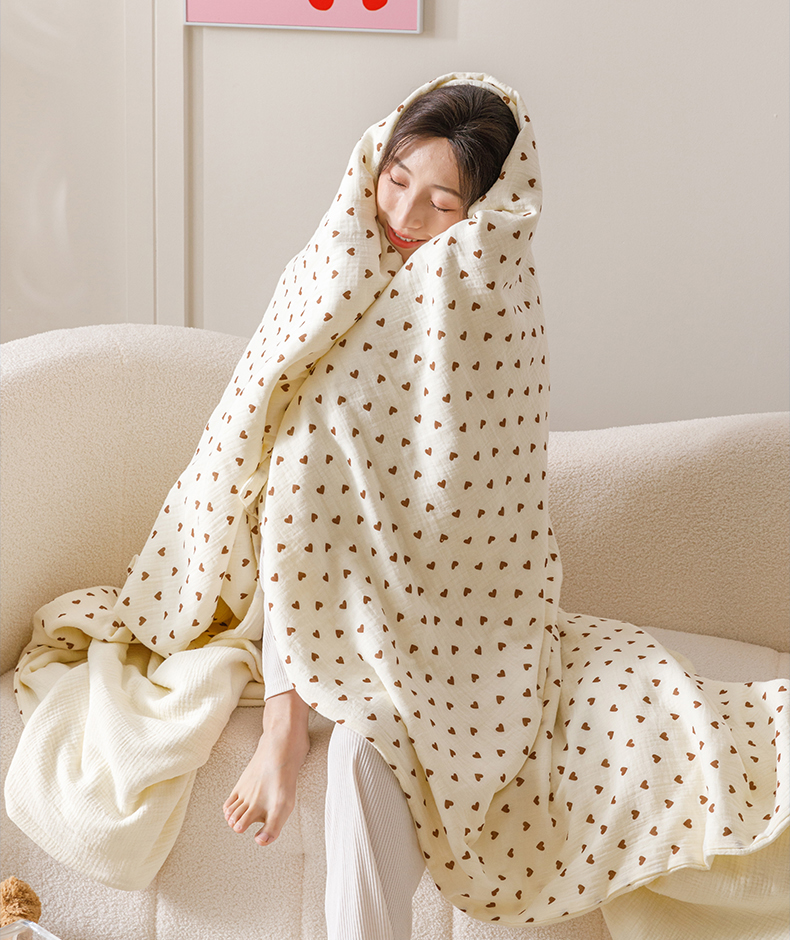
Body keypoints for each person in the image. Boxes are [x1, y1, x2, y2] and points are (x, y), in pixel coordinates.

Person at [8, 74, 787, 940]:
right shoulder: (330, 263)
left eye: (442, 203)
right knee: (312, 454)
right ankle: (298, 721)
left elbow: (482, 507)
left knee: (366, 749)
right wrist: (280, 723)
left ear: (489, 211)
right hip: (289, 577)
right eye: (396, 178)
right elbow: (276, 457)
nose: (406, 215)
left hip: (450, 606)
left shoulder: (494, 310)